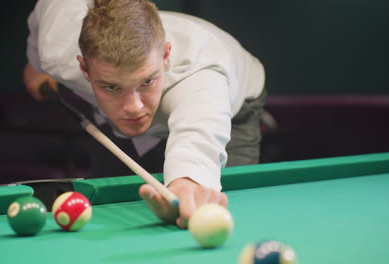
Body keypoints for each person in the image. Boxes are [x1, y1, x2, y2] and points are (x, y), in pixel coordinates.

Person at [24, 0, 266, 228]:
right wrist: (36, 64)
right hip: (114, 122)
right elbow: (44, 14)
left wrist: (187, 182)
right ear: (84, 68)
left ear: (165, 56)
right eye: (111, 86)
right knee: (111, 216)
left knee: (220, 213)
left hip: (236, 110)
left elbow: (200, 136)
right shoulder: (56, 49)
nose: (134, 107)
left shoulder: (199, 77)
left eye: (147, 81)